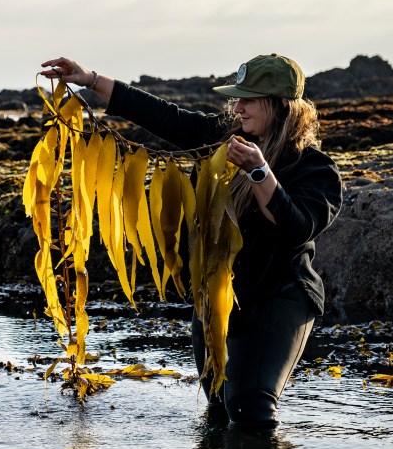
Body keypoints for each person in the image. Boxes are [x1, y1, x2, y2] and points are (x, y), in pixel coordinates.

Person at [39, 54, 343, 427]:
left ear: (281, 105)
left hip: (279, 299)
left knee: (251, 410)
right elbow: (162, 116)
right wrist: (90, 80)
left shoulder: (315, 168)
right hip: (216, 297)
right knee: (217, 407)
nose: (239, 107)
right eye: (238, 97)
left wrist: (260, 171)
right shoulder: (223, 138)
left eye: (249, 99)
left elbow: (297, 228)